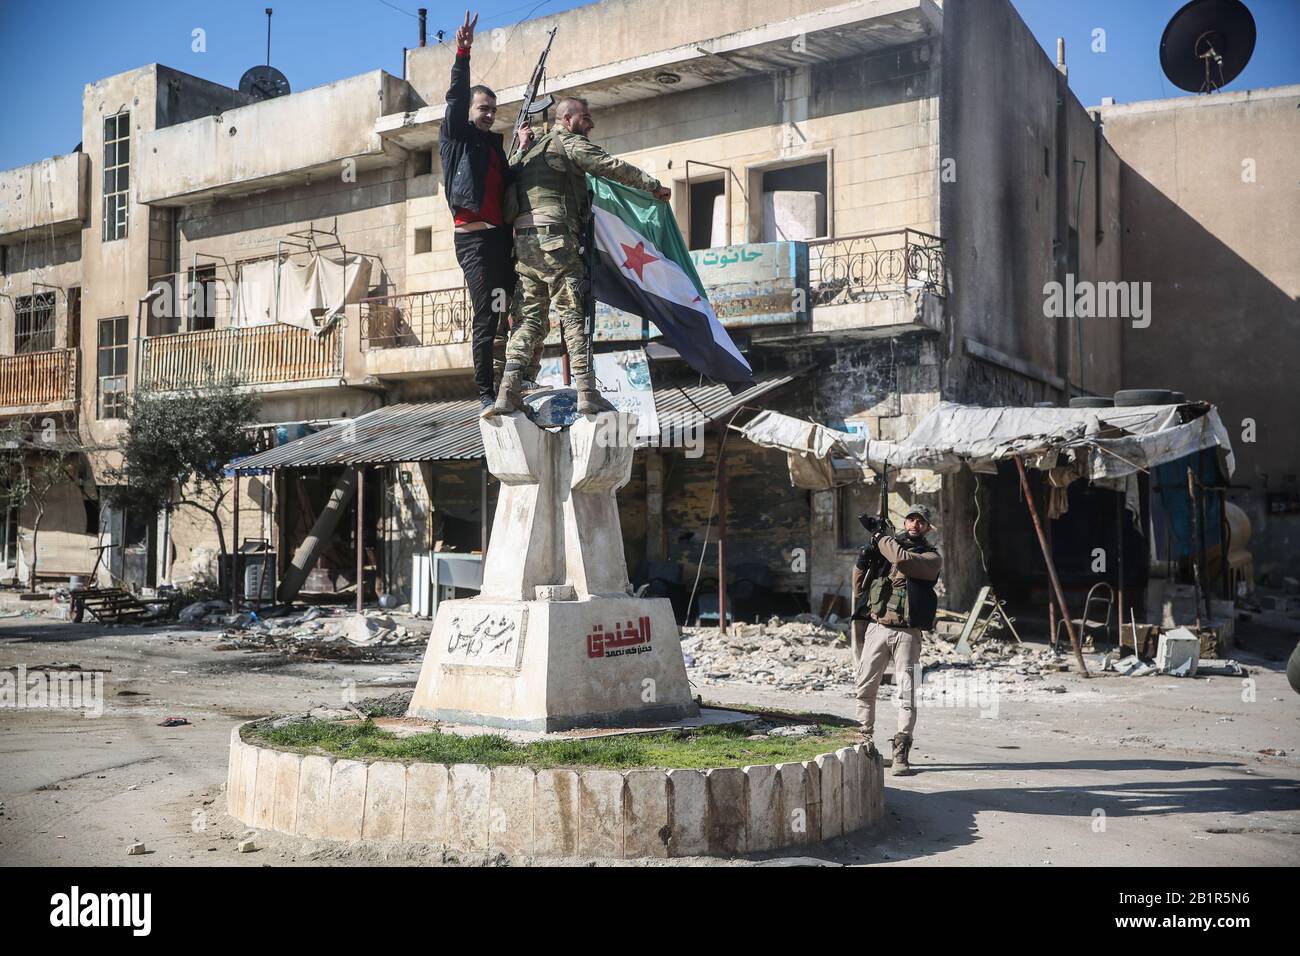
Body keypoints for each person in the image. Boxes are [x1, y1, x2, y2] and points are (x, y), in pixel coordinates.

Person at [484, 96, 670, 418]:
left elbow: (509, 177)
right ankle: (587, 392)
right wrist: (651, 185)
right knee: (574, 313)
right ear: (568, 119)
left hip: (525, 247)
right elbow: (611, 167)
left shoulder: (527, 153)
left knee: (529, 320)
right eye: (586, 117)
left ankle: (506, 392)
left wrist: (522, 144)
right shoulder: (567, 144)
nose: (591, 124)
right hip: (557, 242)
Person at [440, 11, 539, 412]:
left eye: (492, 109)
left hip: (501, 240)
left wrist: (524, 146)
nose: (488, 113)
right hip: (474, 242)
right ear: (470, 111)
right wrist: (463, 51)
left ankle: (513, 382)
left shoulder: (495, 148)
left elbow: (508, 181)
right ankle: (483, 391)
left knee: (509, 310)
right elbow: (456, 96)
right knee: (486, 315)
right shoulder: (456, 137)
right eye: (483, 108)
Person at [850, 505, 942, 775]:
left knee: (907, 694)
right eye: (911, 518)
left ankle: (901, 752)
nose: (914, 524)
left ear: (927, 527)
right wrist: (863, 557)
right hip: (877, 628)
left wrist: (880, 538)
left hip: (907, 634)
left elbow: (903, 561)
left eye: (920, 521)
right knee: (864, 689)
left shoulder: (930, 558)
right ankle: (863, 745)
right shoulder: (887, 550)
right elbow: (858, 589)